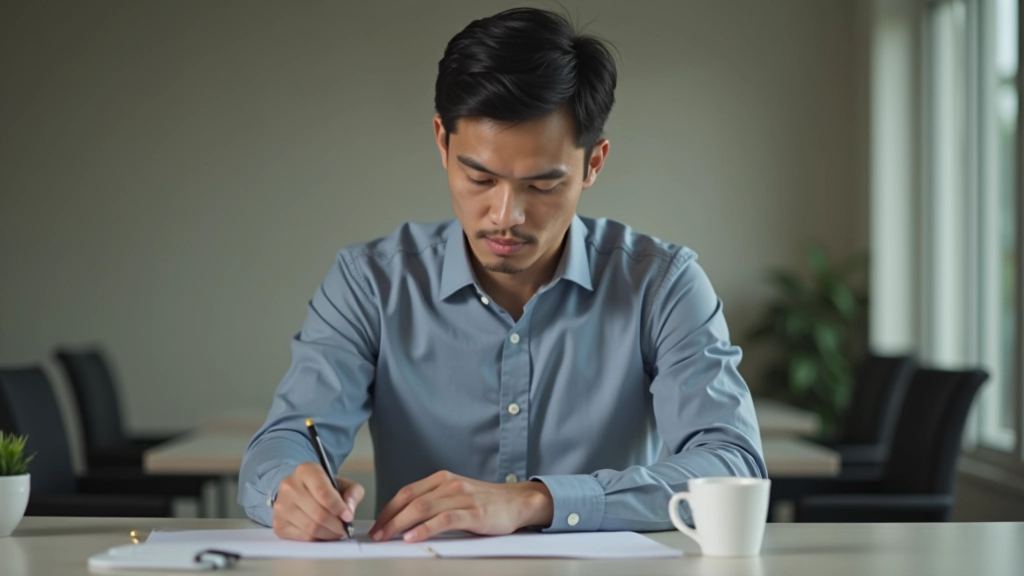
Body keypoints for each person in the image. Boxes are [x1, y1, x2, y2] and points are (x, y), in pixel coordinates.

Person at [238, 7, 766, 544]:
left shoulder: (662, 284)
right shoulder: (369, 283)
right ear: (442, 143)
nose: (505, 215)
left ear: (594, 163)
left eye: (542, 186)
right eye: (480, 177)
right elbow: (283, 442)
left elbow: (733, 465)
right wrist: (289, 489)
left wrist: (536, 500)